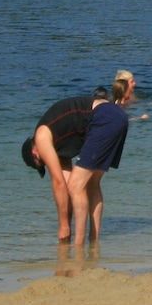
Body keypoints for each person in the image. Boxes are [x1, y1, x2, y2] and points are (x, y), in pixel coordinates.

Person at [67, 72, 137, 247]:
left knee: (76, 185)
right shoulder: (115, 107)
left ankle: (78, 244)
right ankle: (94, 240)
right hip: (117, 123)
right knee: (93, 182)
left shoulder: (100, 109)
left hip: (107, 124)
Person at [22, 89, 97, 241]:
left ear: (35, 153)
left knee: (80, 186)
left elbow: (58, 183)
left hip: (97, 119)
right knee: (85, 186)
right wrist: (66, 224)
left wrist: (63, 226)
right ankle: (93, 245)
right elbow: (65, 187)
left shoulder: (41, 137)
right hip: (102, 118)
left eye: (41, 162)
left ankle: (80, 247)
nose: (46, 163)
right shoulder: (59, 145)